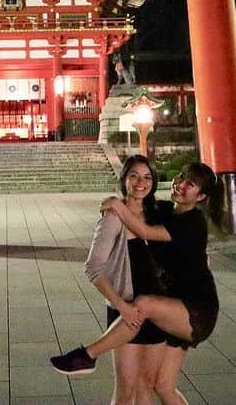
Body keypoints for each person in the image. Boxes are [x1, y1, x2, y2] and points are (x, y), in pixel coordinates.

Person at [51, 162, 224, 405]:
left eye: (191, 184)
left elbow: (144, 231)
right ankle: (86, 357)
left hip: (193, 310)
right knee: (161, 387)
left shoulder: (193, 221)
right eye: (182, 177)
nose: (181, 184)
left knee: (142, 305)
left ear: (202, 196)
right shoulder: (163, 210)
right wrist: (114, 203)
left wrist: (117, 206)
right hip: (169, 305)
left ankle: (86, 355)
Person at [83, 155, 167, 404]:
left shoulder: (160, 214)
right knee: (125, 390)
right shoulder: (112, 218)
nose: (141, 182)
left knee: (146, 386)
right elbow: (93, 268)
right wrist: (122, 307)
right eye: (134, 176)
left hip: (158, 309)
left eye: (147, 177)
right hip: (127, 311)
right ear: (124, 180)